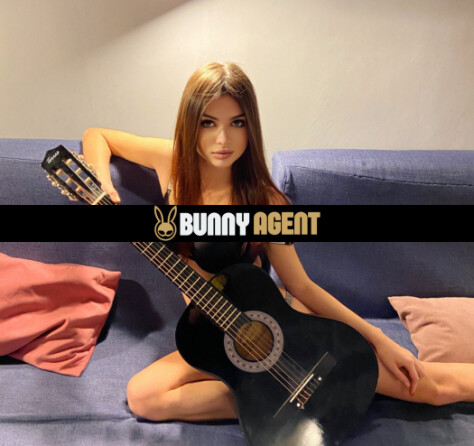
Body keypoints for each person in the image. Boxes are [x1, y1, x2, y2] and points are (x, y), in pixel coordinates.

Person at [82, 61, 474, 422]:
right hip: (215, 335)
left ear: (250, 126)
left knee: (429, 387)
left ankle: (321, 386)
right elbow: (97, 136)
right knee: (144, 396)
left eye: (237, 123)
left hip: (277, 326)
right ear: (190, 124)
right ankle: (278, 396)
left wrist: (381, 341)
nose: (223, 138)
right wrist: (102, 184)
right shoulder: (172, 163)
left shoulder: (264, 201)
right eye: (208, 123)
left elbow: (302, 286)